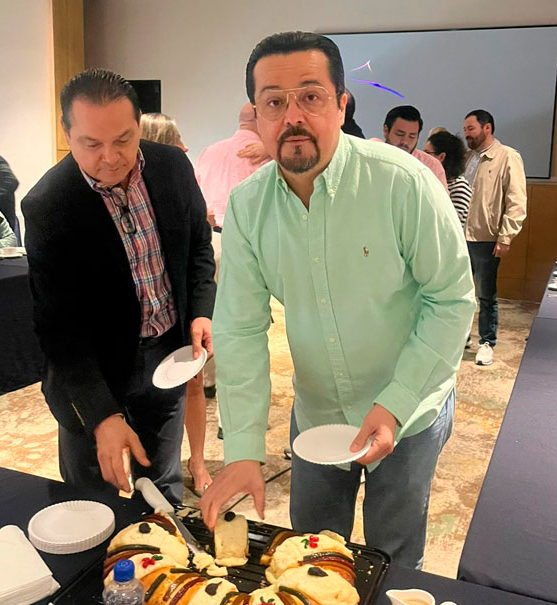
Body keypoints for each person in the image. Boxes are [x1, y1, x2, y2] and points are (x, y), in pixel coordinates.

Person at [199, 31, 475, 570]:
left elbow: (451, 300)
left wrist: (396, 402)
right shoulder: (249, 206)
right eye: (273, 102)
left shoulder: (402, 183)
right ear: (256, 115)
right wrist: (244, 451)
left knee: (392, 559)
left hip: (409, 407)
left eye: (311, 96)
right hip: (319, 414)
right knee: (311, 557)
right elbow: (240, 328)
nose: (292, 117)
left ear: (342, 104)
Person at [21, 69, 217, 505]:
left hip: (167, 358)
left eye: (123, 139)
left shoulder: (171, 167)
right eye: (91, 144)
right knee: (92, 500)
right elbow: (58, 329)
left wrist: (201, 310)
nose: (110, 157)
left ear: (139, 125)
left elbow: (197, 248)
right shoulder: (48, 205)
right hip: (94, 373)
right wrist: (102, 415)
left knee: (162, 486)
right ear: (67, 134)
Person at [138, 111, 213, 493]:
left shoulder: (179, 172)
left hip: (181, 302)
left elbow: (199, 236)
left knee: (193, 383)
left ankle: (197, 460)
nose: (184, 146)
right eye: (175, 138)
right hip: (148, 314)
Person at [461, 109, 527, 366]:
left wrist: (506, 236)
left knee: (486, 295)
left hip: (486, 236)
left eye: (471, 129)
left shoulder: (507, 156)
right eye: (465, 129)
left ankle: (486, 343)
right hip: (459, 236)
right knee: (460, 292)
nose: (467, 134)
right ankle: (461, 337)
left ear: (487, 128)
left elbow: (517, 201)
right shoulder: (467, 157)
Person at [194, 104, 268, 230]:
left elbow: (195, 196)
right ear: (262, 120)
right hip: (249, 234)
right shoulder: (266, 157)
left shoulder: (208, 152)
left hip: (211, 234)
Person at [380, 105, 447, 193]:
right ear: (386, 131)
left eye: (412, 136)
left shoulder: (431, 165)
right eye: (400, 134)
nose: (405, 142)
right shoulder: (373, 158)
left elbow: (440, 200)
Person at [424, 130, 471, 228]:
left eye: (427, 153)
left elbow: (448, 225)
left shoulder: (459, 187)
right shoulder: (430, 182)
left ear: (441, 157)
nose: (423, 157)